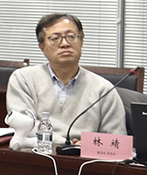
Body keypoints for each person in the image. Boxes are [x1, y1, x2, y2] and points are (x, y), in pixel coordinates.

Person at [7, 13, 126, 150]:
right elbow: (24, 127)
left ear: (81, 41)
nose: (65, 44)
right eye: (55, 38)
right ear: (42, 47)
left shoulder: (104, 89)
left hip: (84, 160)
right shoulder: (23, 79)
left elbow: (117, 141)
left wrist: (87, 147)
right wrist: (68, 145)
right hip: (35, 157)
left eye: (71, 37)